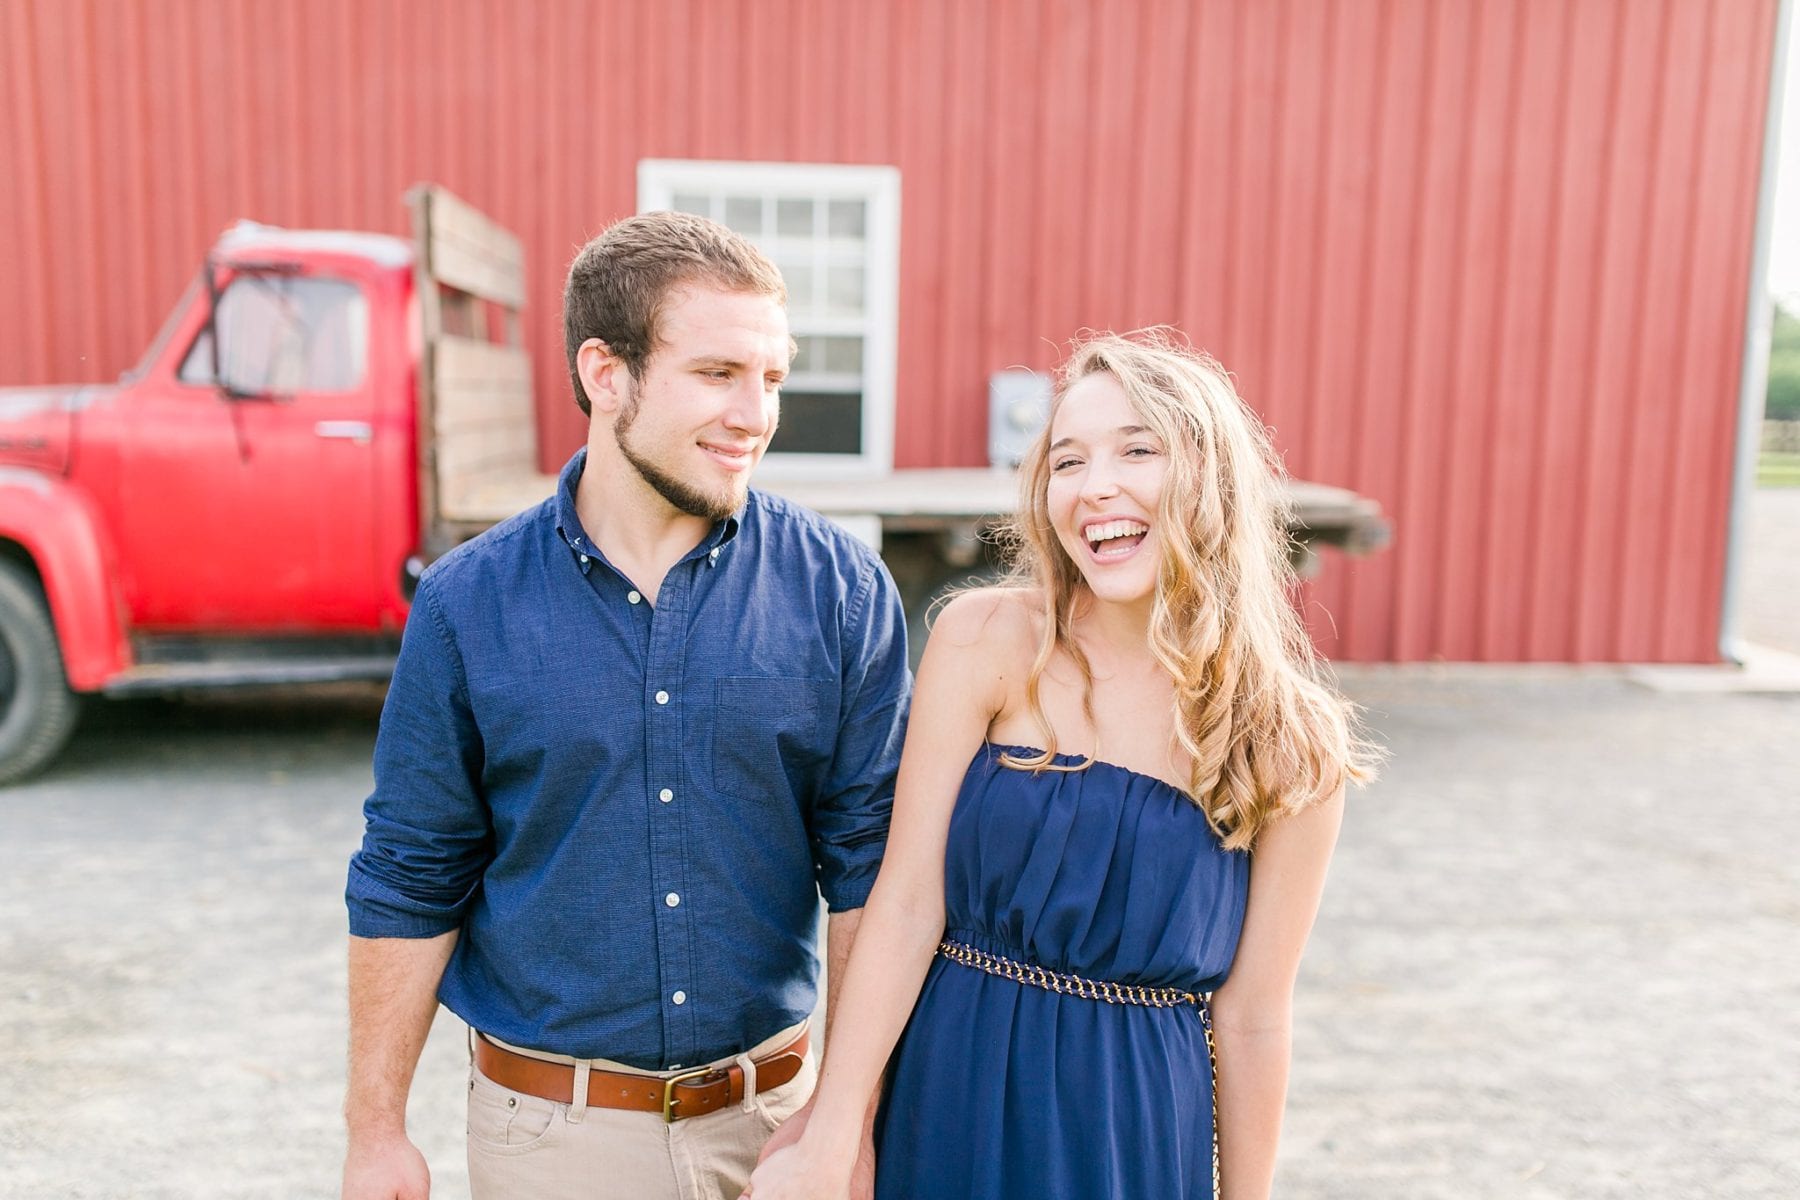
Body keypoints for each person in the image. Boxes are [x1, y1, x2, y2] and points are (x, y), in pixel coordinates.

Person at [341, 211, 910, 1200]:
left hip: (774, 1130)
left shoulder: (843, 592)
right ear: (607, 376)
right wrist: (374, 1129)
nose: (756, 413)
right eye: (718, 374)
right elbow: (411, 869)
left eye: (771, 378)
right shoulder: (466, 604)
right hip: (551, 1139)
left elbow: (869, 867)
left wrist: (840, 1119)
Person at [746, 330, 1377, 1200]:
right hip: (950, 1095)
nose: (1095, 488)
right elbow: (906, 902)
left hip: (1134, 1134)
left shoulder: (1288, 738)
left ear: (1214, 479)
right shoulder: (984, 641)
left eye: (1138, 450)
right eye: (1067, 461)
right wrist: (836, 1130)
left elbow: (1255, 1014)